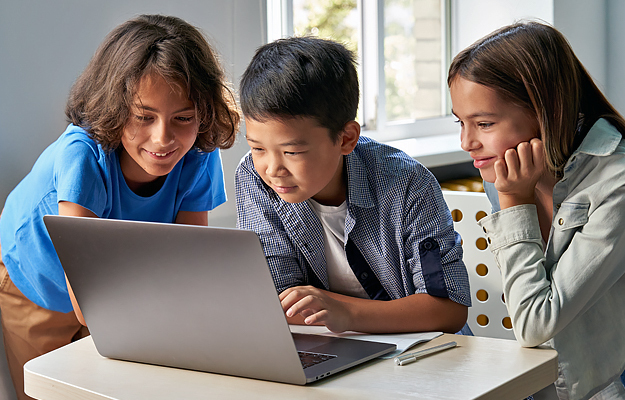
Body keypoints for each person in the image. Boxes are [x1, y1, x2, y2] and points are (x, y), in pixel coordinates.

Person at [0, 14, 239, 400]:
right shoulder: (83, 157)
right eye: (144, 117)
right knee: (49, 389)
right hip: (34, 276)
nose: (163, 138)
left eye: (183, 118)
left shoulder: (199, 154)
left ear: (203, 114)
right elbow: (87, 304)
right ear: (114, 107)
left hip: (116, 281)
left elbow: (190, 262)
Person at [235, 36, 470, 335]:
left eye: (292, 152)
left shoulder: (408, 183)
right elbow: (278, 304)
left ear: (346, 138)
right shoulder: (253, 177)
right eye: (257, 148)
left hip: (423, 352)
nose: (272, 169)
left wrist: (345, 313)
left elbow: (448, 310)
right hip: (328, 348)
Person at [448, 21, 625, 400]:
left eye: (484, 123)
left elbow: (535, 322)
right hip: (543, 384)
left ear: (548, 110)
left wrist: (514, 202)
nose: (467, 142)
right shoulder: (507, 171)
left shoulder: (617, 182)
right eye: (460, 122)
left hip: (605, 387)